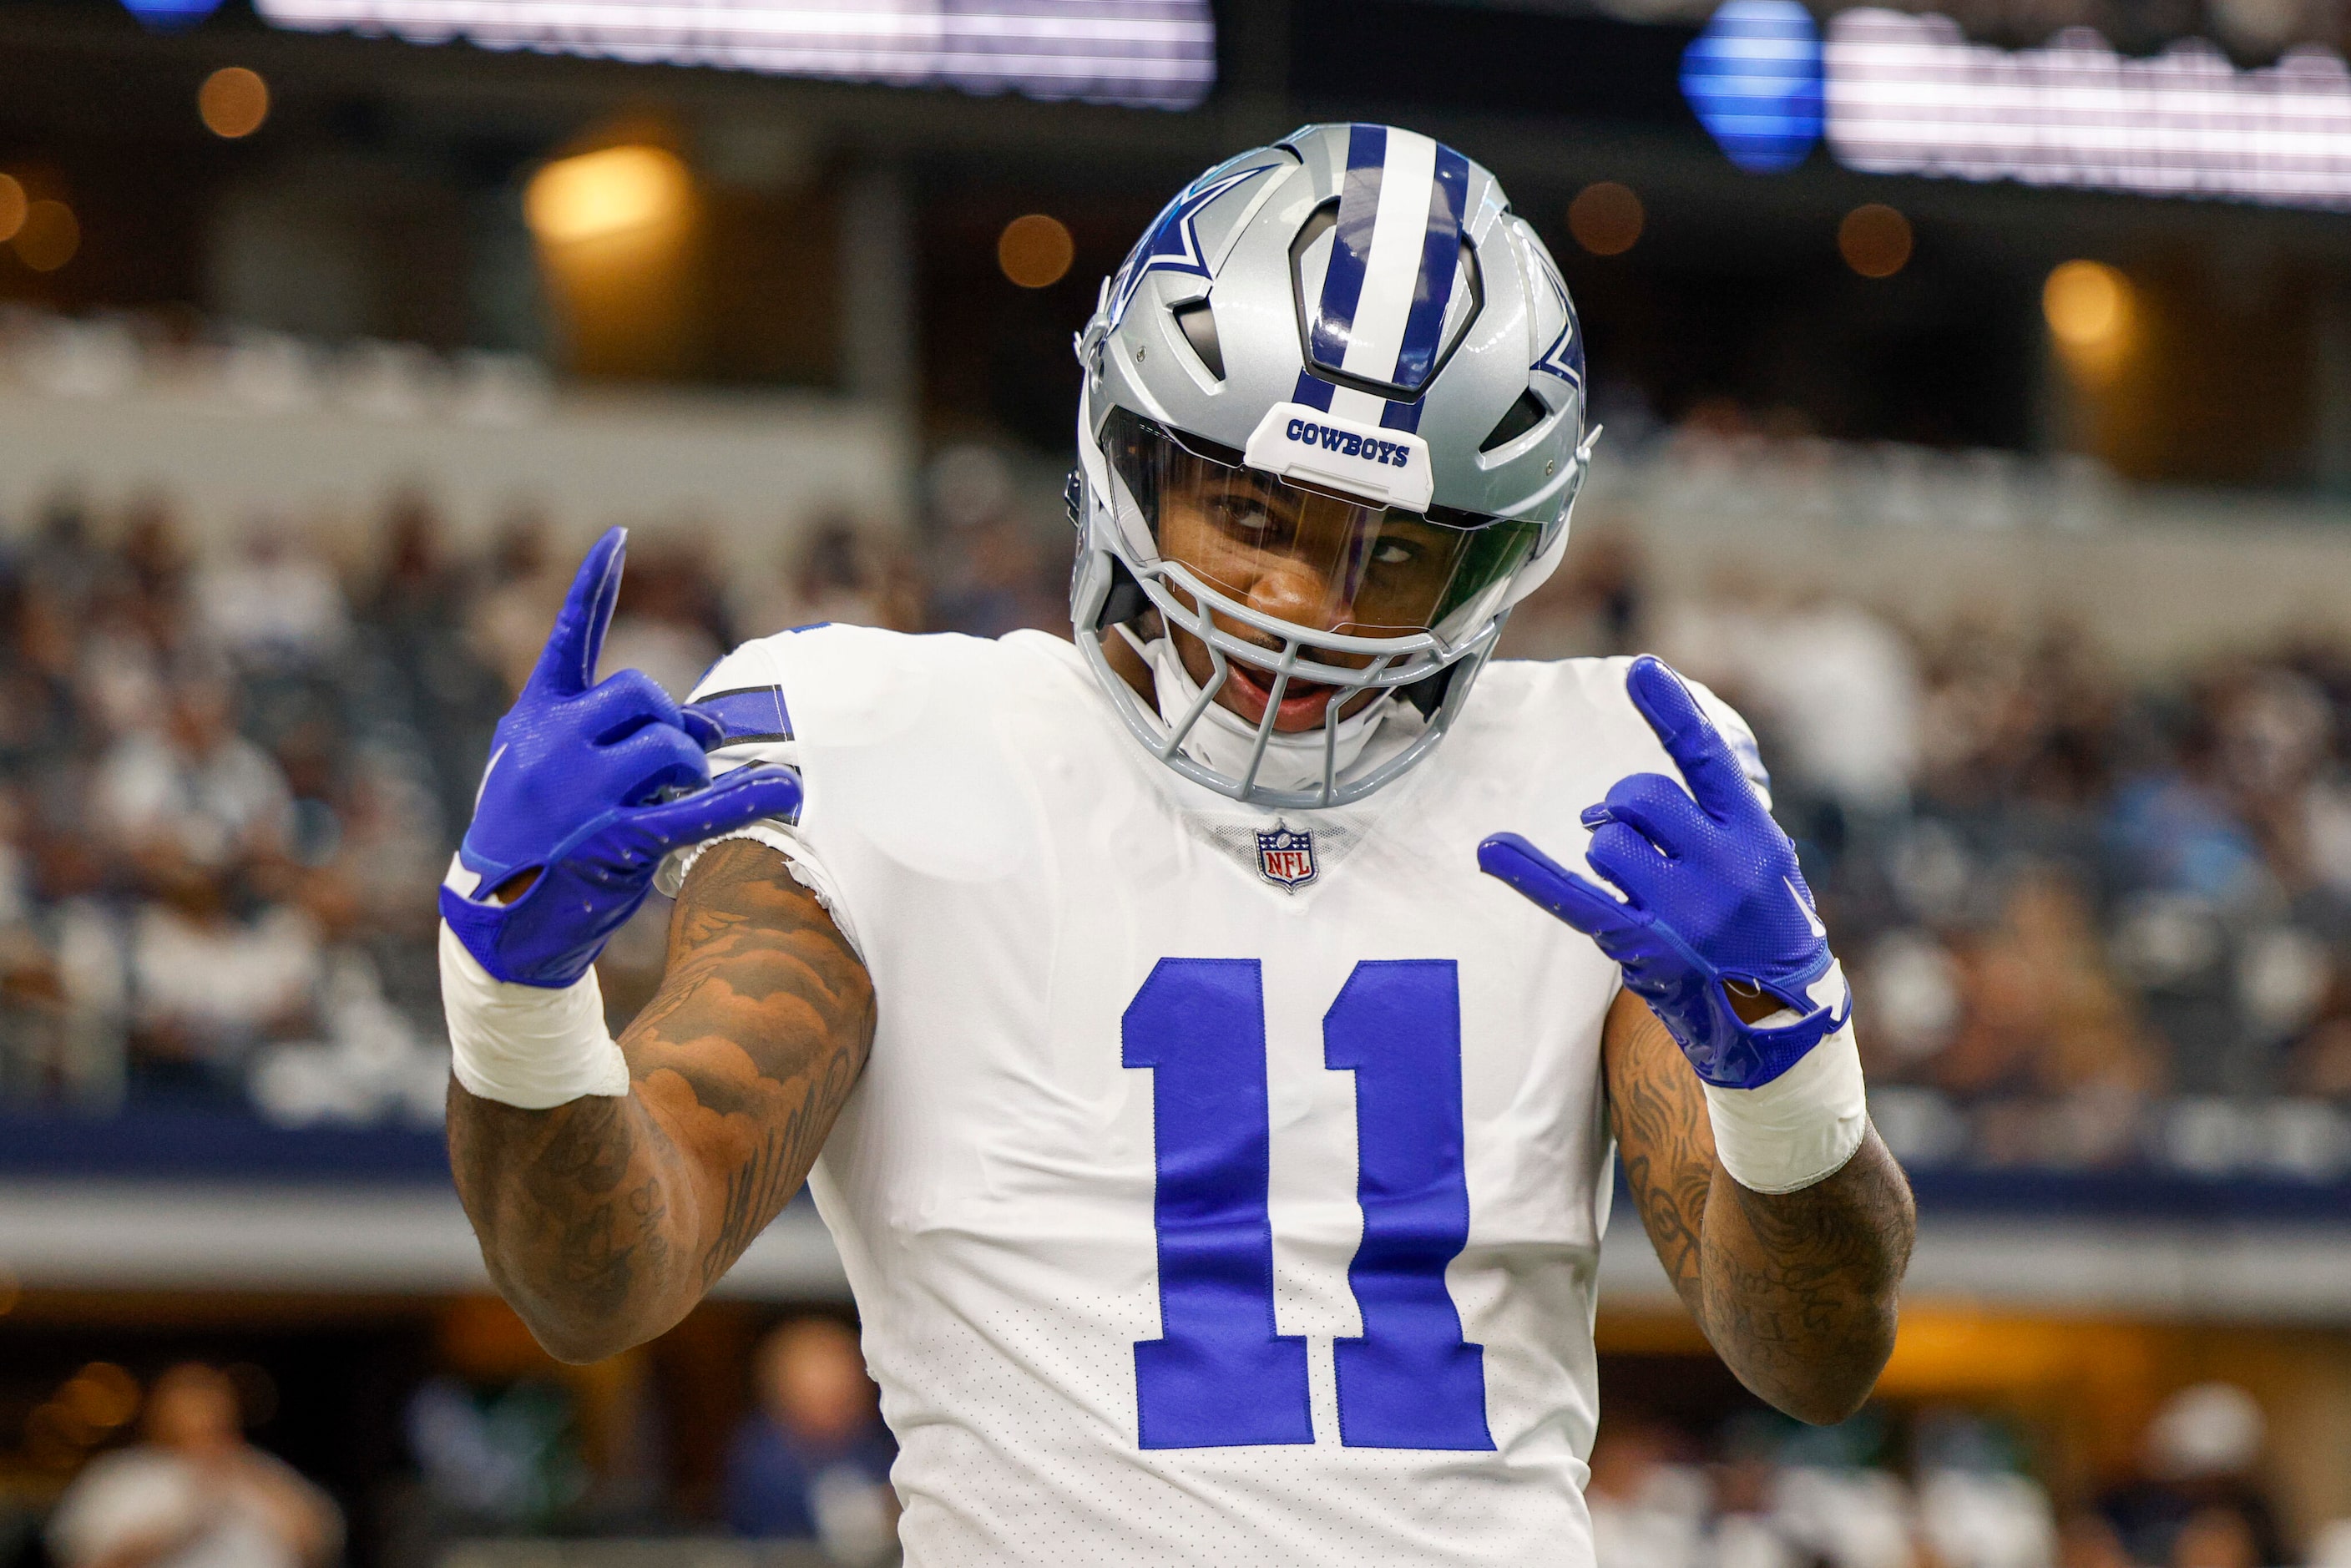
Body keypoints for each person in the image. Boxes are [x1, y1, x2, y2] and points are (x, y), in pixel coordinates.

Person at [437, 124, 1915, 1566]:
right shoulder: (880, 735)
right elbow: (607, 1276)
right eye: (1253, 508)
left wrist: (1792, 1071)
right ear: (1129, 449)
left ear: (1500, 550)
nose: (1303, 600)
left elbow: (1811, 1356)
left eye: (1391, 551)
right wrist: (517, 1001)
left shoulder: (1612, 772)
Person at [47, 1363, 341, 1568]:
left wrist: (248, 1477)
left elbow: (319, 1544)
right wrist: (182, 1526)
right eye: (189, 1402)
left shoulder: (260, 1470)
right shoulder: (123, 1476)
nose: (203, 1415)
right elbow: (87, 1559)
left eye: (210, 1401)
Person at [724, 1317, 897, 1558]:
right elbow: (828, 1525)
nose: (841, 1412)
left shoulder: (871, 1444)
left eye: (848, 1400)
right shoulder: (764, 1458)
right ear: (787, 1396)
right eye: (827, 1401)